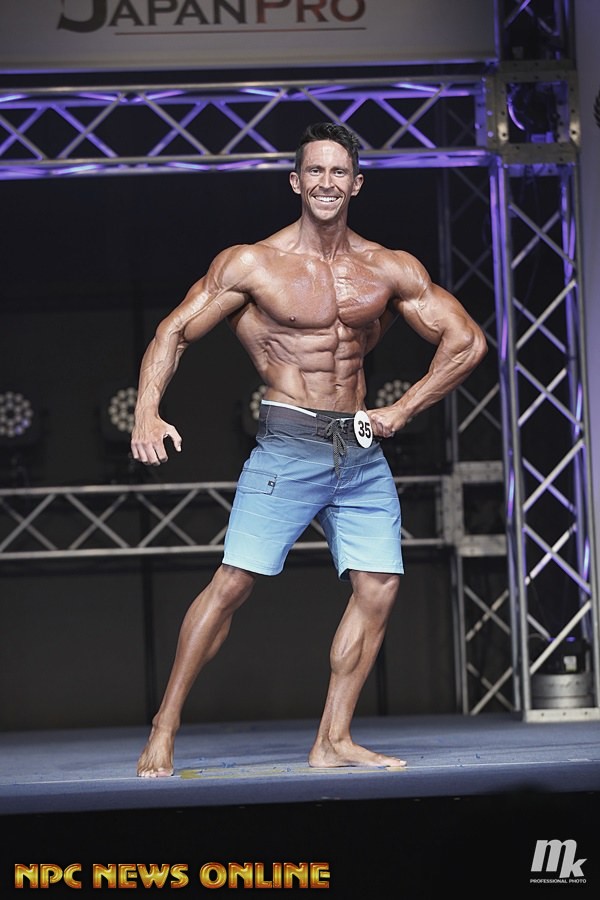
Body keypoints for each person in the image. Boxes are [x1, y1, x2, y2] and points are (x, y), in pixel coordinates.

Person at [131, 121, 487, 777]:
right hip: (288, 447)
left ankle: (332, 740)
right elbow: (173, 332)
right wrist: (147, 410)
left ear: (357, 183)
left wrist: (403, 408)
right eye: (315, 171)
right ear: (296, 182)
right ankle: (165, 725)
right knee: (233, 583)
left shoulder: (388, 267)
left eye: (338, 172)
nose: (327, 183)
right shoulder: (253, 263)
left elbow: (466, 341)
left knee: (379, 587)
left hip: (360, 451)